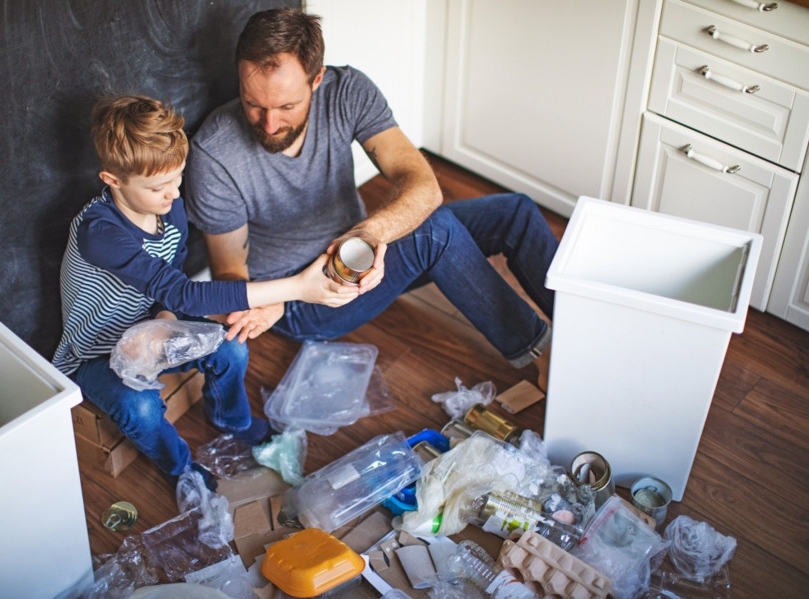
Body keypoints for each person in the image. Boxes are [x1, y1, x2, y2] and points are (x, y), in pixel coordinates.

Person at [184, 8, 559, 391]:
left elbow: (423, 186)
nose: (269, 124)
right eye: (253, 104)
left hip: (359, 254)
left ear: (317, 80)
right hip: (300, 298)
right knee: (434, 232)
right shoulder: (215, 153)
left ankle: (585, 328)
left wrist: (369, 234)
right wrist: (280, 298)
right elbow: (230, 275)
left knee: (516, 212)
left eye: (286, 107)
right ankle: (547, 358)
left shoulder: (347, 90)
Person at [52, 95, 359, 488]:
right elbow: (184, 292)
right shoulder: (100, 233)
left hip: (152, 324)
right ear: (112, 180)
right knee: (140, 409)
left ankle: (232, 420)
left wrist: (164, 319)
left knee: (231, 345)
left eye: (177, 178)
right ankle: (179, 468)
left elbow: (170, 282)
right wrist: (298, 288)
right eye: (159, 186)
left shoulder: (168, 208)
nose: (174, 194)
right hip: (95, 352)